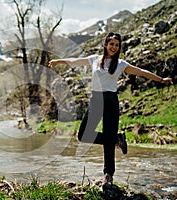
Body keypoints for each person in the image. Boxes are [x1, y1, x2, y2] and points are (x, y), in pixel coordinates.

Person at [48, 32, 173, 185]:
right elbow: (75, 61)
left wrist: (161, 79)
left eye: (117, 45)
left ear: (119, 47)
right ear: (105, 44)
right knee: (83, 135)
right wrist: (58, 61)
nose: (114, 47)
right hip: (96, 100)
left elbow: (141, 72)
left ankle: (108, 175)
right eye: (111, 43)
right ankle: (116, 139)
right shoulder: (94, 59)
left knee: (108, 141)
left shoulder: (121, 64)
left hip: (111, 101)